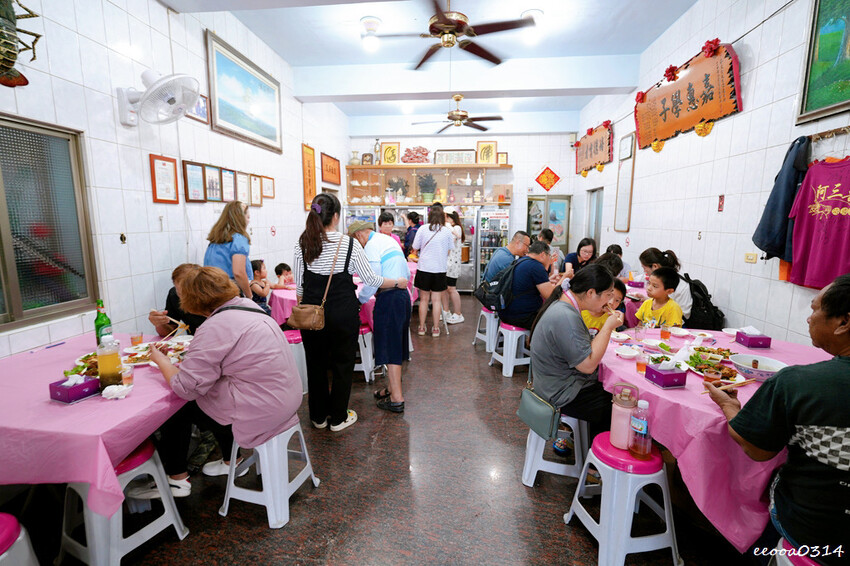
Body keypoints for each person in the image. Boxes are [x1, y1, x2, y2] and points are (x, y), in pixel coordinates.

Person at [705, 273, 850, 566]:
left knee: (757, 518)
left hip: (815, 536)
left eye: (814, 309)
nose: (809, 318)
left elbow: (756, 448)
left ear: (844, 322)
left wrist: (728, 406)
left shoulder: (799, 382)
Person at [129, 266, 303, 498]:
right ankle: (232, 460)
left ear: (191, 300)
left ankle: (176, 479)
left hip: (260, 409)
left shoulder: (214, 326)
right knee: (210, 390)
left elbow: (185, 387)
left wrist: (160, 360)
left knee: (176, 406)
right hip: (287, 397)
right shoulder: (249, 306)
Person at [294, 193, 406, 432]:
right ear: (336, 216)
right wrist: (396, 282)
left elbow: (300, 288)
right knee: (342, 364)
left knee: (315, 365)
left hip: (311, 313)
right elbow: (371, 279)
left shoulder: (302, 243)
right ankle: (338, 418)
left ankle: (318, 417)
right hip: (343, 314)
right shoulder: (349, 244)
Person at [530, 264, 624, 442]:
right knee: (618, 404)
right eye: (608, 294)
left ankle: (585, 442)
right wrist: (608, 326)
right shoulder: (565, 316)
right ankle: (594, 455)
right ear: (590, 293)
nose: (610, 301)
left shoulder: (563, 304)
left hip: (552, 383)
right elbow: (588, 366)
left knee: (610, 389)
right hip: (562, 393)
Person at [348, 220, 411, 413]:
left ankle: (396, 398)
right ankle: (391, 389)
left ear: (359, 235)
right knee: (397, 345)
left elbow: (371, 280)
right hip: (403, 297)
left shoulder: (371, 246)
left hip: (389, 299)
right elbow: (406, 274)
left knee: (391, 348)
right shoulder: (388, 240)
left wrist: (360, 300)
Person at [498, 241, 566, 330]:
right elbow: (550, 295)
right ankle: (535, 339)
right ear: (543, 254)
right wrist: (564, 278)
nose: (550, 259)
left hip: (505, 312)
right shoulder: (536, 266)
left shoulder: (520, 261)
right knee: (557, 318)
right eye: (549, 256)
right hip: (521, 317)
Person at [411, 206, 455, 337]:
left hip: (424, 268)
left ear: (429, 217)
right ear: (442, 217)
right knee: (436, 300)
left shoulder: (422, 229)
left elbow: (415, 247)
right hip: (439, 269)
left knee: (424, 299)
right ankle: (435, 329)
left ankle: (421, 327)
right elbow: (449, 251)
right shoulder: (447, 231)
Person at [203, 201, 253, 299]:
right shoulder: (239, 239)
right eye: (248, 217)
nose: (248, 221)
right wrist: (249, 296)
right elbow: (239, 273)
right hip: (228, 290)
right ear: (240, 219)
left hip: (210, 289)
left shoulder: (216, 239)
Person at [148, 263, 207, 336]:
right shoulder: (174, 295)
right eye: (180, 293)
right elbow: (169, 332)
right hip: (193, 341)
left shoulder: (214, 298)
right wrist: (159, 323)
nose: (184, 299)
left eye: (189, 294)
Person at [639, 248, 693, 320]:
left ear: (655, 266)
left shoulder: (677, 283)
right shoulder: (663, 278)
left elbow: (684, 314)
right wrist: (646, 299)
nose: (644, 271)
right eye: (649, 283)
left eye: (644, 268)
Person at [444, 211, 465, 324]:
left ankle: (458, 313)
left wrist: (448, 227)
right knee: (445, 289)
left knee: (451, 289)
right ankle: (446, 311)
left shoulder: (456, 228)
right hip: (448, 264)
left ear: (450, 217)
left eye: (446, 217)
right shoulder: (452, 228)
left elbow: (451, 243)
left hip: (452, 264)